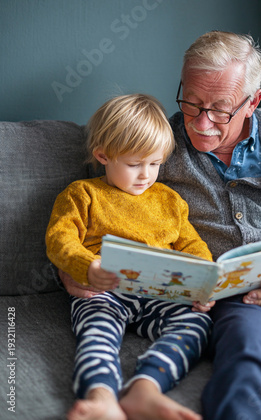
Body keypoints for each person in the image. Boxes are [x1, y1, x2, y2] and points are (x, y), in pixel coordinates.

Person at [60, 31, 261, 420]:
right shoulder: (154, 142)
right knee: (247, 358)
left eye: (220, 109)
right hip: (241, 297)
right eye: (191, 102)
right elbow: (94, 205)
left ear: (252, 101)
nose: (201, 123)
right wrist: (70, 267)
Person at [46, 94, 214, 420]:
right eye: (135, 164)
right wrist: (87, 267)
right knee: (97, 332)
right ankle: (101, 396)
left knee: (198, 323)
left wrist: (204, 278)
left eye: (155, 164)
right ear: (103, 155)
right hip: (105, 289)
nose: (146, 175)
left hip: (161, 293)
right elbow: (60, 239)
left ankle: (146, 389)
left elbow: (192, 244)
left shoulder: (169, 200)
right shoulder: (83, 194)